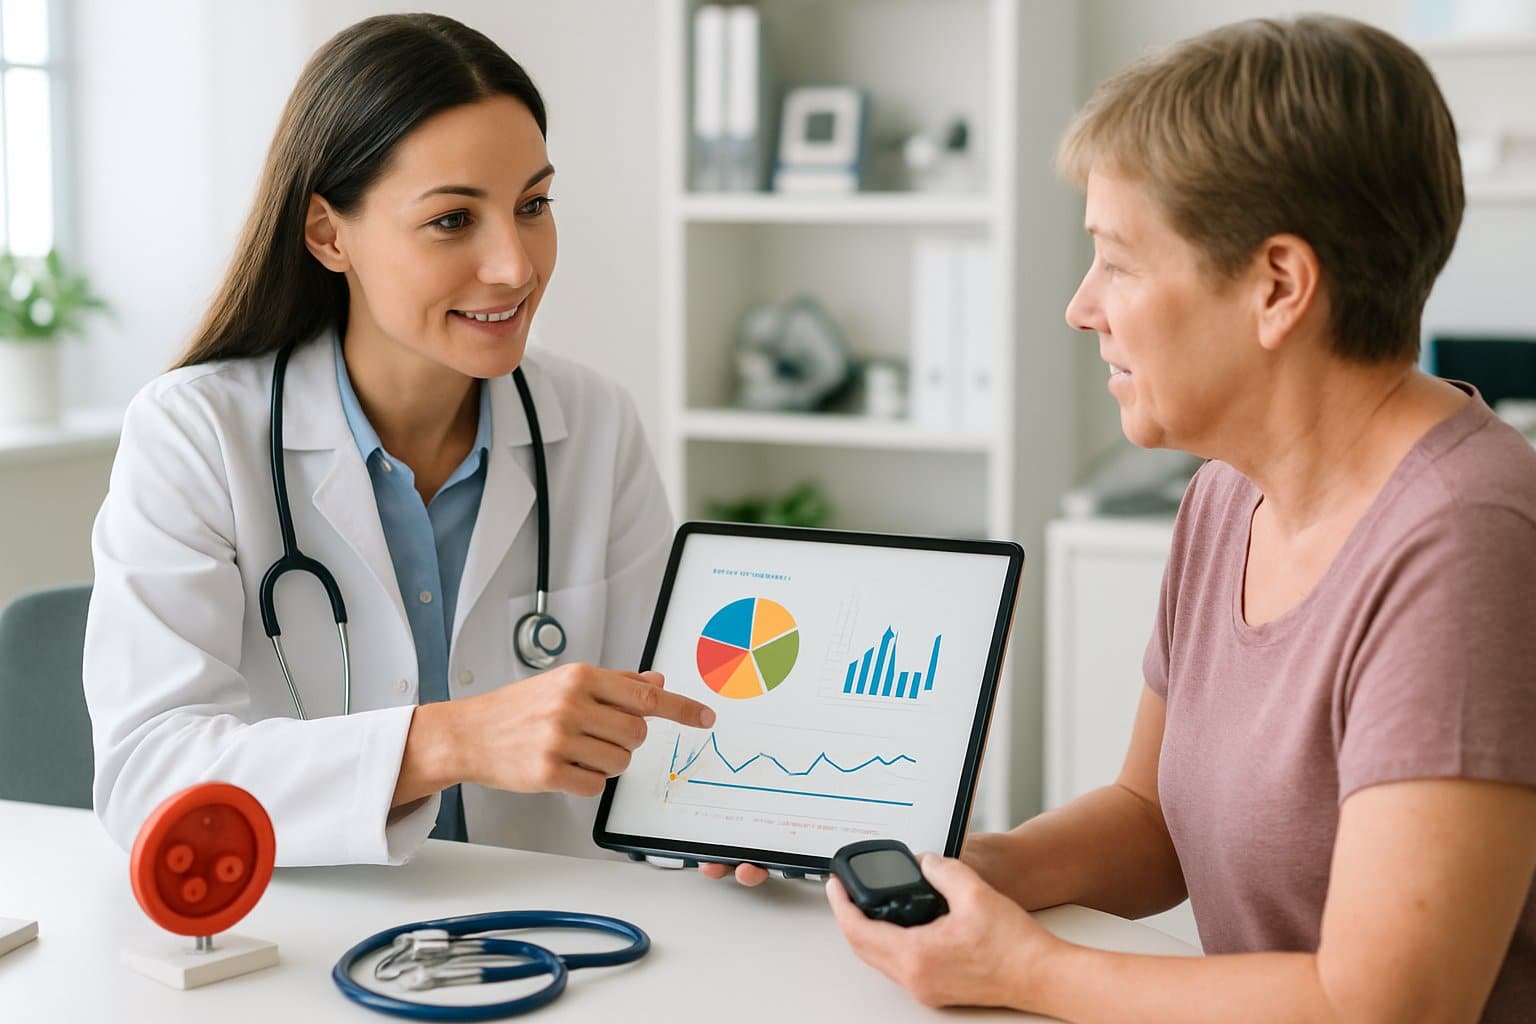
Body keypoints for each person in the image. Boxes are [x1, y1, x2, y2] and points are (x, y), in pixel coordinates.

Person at [827, 16, 1536, 1022]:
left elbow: (1394, 1005)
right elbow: (1153, 817)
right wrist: (975, 869)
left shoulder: (1467, 539)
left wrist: (1023, 970)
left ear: (1277, 286)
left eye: (1117, 262)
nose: (1081, 307)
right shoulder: (1227, 491)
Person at [84, 13, 714, 867]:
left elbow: (670, 737)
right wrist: (452, 741)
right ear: (326, 234)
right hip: (310, 941)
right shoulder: (194, 433)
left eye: (532, 205)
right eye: (454, 220)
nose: (515, 266)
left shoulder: (596, 420)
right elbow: (150, 781)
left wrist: (724, 824)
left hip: (563, 932)